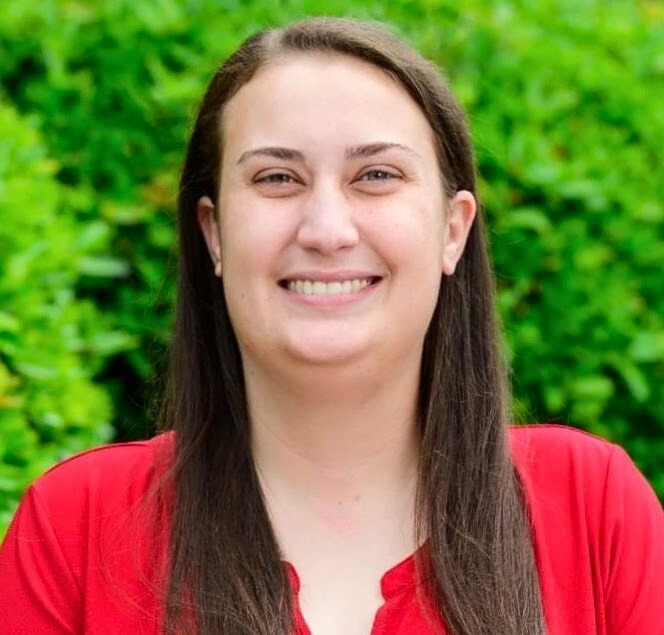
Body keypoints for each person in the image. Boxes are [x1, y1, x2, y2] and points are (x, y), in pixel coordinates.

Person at [0, 16, 662, 635]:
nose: (325, 230)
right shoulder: (76, 528)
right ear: (214, 233)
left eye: (375, 175)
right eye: (278, 177)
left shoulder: (593, 508)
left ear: (452, 230)